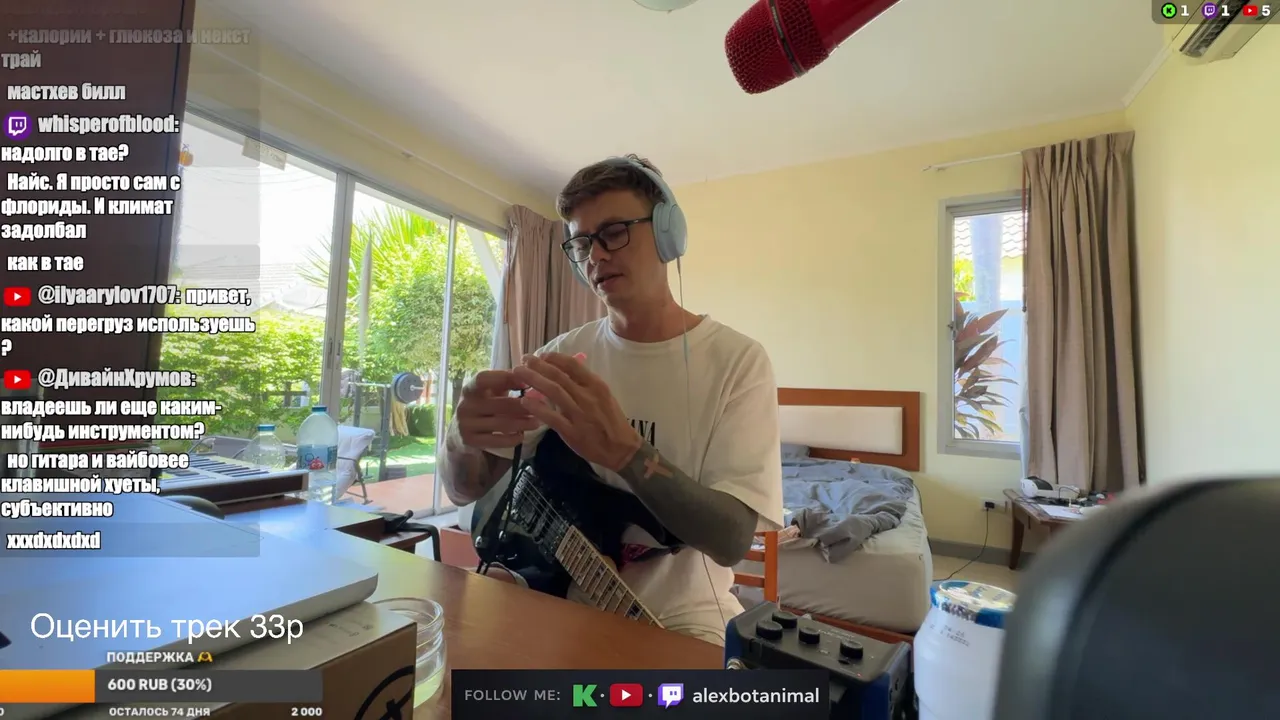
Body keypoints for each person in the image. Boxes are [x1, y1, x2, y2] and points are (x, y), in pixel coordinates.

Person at [438, 154, 783, 645]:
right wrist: (459, 436)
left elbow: (731, 541)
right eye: (581, 243)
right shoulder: (560, 357)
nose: (595, 256)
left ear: (667, 234)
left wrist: (625, 451)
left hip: (685, 617)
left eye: (614, 232)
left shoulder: (737, 361)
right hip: (559, 599)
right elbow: (466, 491)